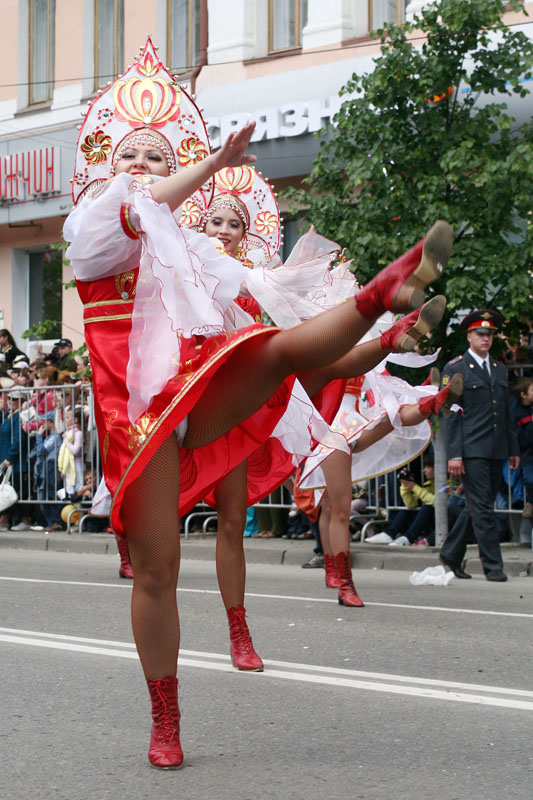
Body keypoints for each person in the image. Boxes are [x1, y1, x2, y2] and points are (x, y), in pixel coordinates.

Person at [64, 38, 455, 770]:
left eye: (158, 155)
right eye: (132, 154)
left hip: (198, 386)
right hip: (137, 415)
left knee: (277, 352)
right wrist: (210, 165)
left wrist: (352, 306)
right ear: (106, 167)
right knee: (158, 572)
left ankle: (388, 287)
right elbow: (133, 210)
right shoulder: (90, 226)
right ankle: (165, 715)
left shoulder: (189, 246)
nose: (145, 165)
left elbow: (270, 297)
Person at [439, 309, 520, 582]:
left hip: (497, 447)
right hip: (471, 448)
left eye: (489, 335)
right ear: (469, 336)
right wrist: (455, 453)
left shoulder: (499, 368)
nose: (486, 339)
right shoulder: (455, 368)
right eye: (480, 334)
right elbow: (449, 414)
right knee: (484, 508)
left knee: (477, 505)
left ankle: (451, 553)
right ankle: (493, 567)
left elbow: (506, 413)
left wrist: (513, 449)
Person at [511, 376, 533, 519]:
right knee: (531, 479)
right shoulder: (517, 413)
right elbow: (523, 440)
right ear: (524, 394)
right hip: (528, 456)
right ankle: (530, 502)